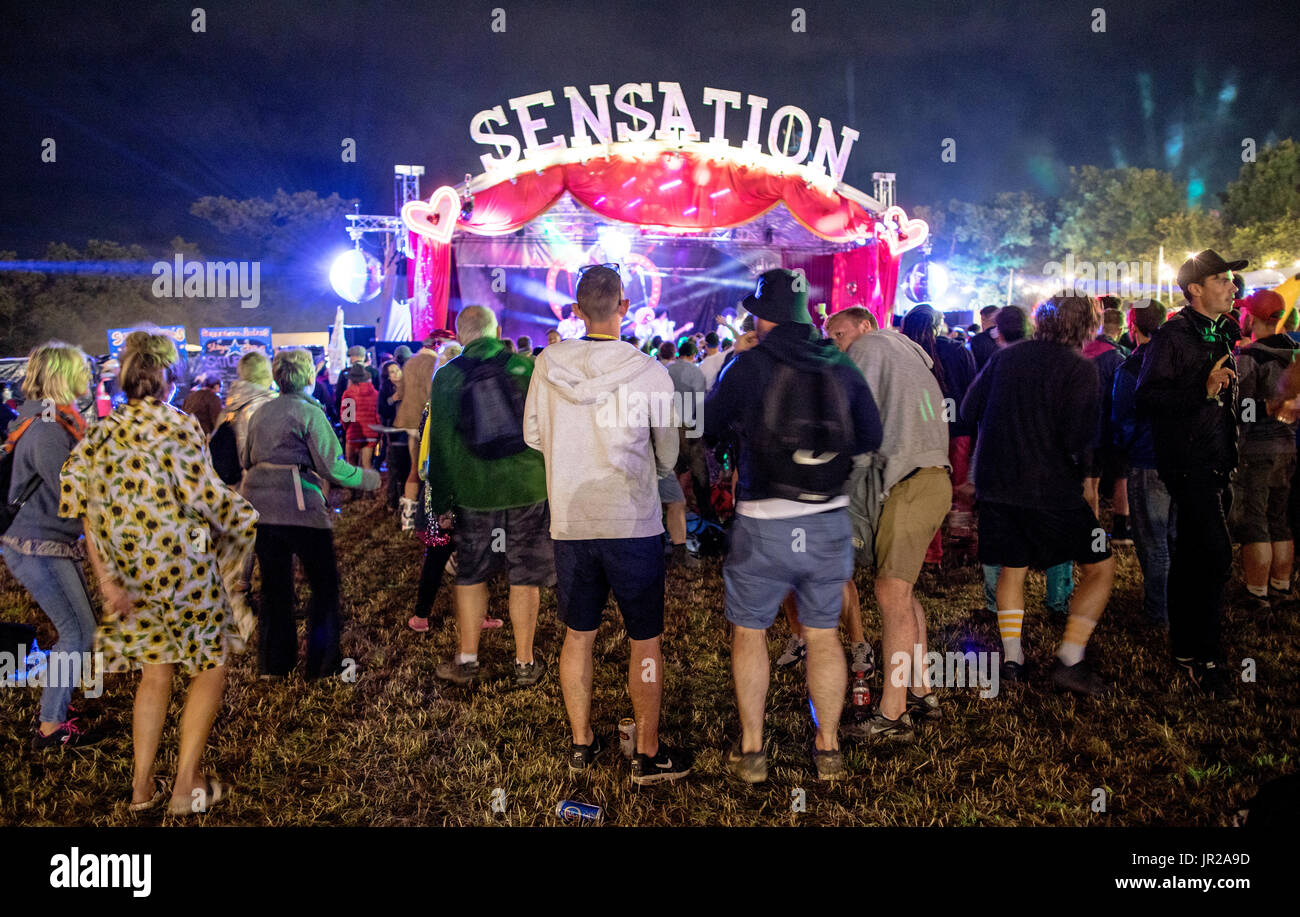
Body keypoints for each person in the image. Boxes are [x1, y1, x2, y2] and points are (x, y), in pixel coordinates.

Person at [59, 329, 258, 814]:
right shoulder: (180, 427)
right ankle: (185, 786)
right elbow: (206, 498)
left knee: (155, 675)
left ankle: (141, 790)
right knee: (210, 666)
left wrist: (106, 578)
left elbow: (81, 504)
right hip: (183, 569)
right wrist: (248, 517)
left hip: (129, 575)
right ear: (169, 378)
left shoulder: (101, 432)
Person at [705, 269, 882, 783]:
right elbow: (869, 433)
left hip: (762, 520)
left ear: (764, 317)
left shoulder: (748, 364)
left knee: (750, 632)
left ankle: (753, 751)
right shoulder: (840, 364)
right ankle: (826, 749)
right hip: (828, 518)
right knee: (824, 635)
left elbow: (709, 424)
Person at [525, 265, 692, 785]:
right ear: (624, 306)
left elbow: (533, 435)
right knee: (645, 639)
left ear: (576, 311)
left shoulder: (546, 363)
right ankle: (646, 750)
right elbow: (668, 452)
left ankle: (582, 743)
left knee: (578, 635)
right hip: (632, 520)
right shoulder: (650, 371)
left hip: (572, 520)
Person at [962, 295, 1117, 696]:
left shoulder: (1005, 357)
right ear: (1088, 325)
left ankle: (1013, 658)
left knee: (1012, 566)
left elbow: (967, 408)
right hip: (1050, 489)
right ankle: (1070, 657)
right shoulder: (1079, 368)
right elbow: (1078, 437)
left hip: (998, 486)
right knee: (1100, 566)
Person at [827, 307, 949, 739]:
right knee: (903, 590)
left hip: (910, 482)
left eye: (840, 334)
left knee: (889, 592)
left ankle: (892, 715)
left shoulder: (870, 346)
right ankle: (921, 690)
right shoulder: (907, 351)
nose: (839, 345)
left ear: (864, 326)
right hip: (931, 478)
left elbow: (851, 419)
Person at [1136, 250, 1247, 697]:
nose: (1232, 287)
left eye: (1233, 281)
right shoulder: (1173, 336)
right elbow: (1146, 399)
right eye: (1223, 280)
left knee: (1193, 558)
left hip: (1219, 459)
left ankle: (1185, 649)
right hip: (1188, 463)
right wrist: (1200, 389)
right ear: (1195, 289)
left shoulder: (1224, 331)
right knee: (1217, 556)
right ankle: (1208, 656)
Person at [425, 305, 552, 688]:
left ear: (461, 336)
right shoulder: (526, 368)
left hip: (474, 491)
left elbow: (441, 446)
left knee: (471, 574)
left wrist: (441, 503)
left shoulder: (446, 376)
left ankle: (467, 659)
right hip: (527, 487)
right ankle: (524, 663)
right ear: (496, 330)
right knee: (524, 574)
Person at [241, 348, 380, 679]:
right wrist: (371, 478)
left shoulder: (261, 412)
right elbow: (333, 467)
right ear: (307, 376)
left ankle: (274, 665)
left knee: (275, 587)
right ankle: (324, 664)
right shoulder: (309, 412)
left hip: (261, 508)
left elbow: (246, 459)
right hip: (301, 508)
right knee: (324, 586)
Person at [2, 342, 95, 748]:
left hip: (42, 541)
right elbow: (71, 494)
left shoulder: (43, 420)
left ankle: (54, 712)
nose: (88, 378)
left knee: (79, 630)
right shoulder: (47, 430)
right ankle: (50, 727)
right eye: (81, 371)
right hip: (36, 544)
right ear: (64, 376)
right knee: (77, 633)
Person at [1230, 289, 1300, 611]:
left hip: (1257, 449)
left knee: (1255, 521)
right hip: (1289, 446)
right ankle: (1282, 588)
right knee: (1280, 519)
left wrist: (1263, 407)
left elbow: (1241, 409)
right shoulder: (1296, 351)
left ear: (1252, 317)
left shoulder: (1251, 356)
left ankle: (1257, 594)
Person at [901, 304, 977, 584]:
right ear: (938, 325)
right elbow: (971, 390)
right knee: (958, 491)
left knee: (927, 494)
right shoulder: (957, 350)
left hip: (923, 431)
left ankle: (931, 557)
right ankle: (961, 543)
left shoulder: (904, 352)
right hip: (958, 429)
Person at [1112, 299, 1174, 626]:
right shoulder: (1181, 358)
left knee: (1154, 543)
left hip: (1148, 460)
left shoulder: (1132, 368)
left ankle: (1157, 613)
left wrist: (1126, 446)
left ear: (1132, 327)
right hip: (1183, 459)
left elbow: (1122, 418)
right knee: (1176, 538)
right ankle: (1179, 606)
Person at [1082, 308, 1132, 544]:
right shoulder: (1119, 358)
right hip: (1112, 428)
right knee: (1122, 476)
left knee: (1089, 481)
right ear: (1120, 330)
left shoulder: (1082, 353)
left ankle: (1092, 533)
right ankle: (1121, 530)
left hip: (1087, 428)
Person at [393, 335, 440, 530]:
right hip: (428, 422)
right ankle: (431, 520)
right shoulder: (435, 362)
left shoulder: (410, 362)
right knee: (433, 471)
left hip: (410, 421)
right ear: (436, 347)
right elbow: (434, 392)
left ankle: (408, 518)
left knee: (414, 469)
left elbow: (401, 393)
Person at [340, 363, 380, 492]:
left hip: (354, 432)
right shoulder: (375, 393)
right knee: (367, 464)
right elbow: (378, 415)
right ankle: (369, 493)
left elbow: (346, 417)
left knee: (351, 463)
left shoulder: (348, 393)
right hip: (371, 433)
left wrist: (347, 430)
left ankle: (353, 492)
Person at [333, 345, 379, 421]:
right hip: (370, 414)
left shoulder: (345, 373)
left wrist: (340, 417)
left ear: (352, 358)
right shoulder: (374, 372)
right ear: (364, 357)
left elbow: (339, 396)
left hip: (350, 414)